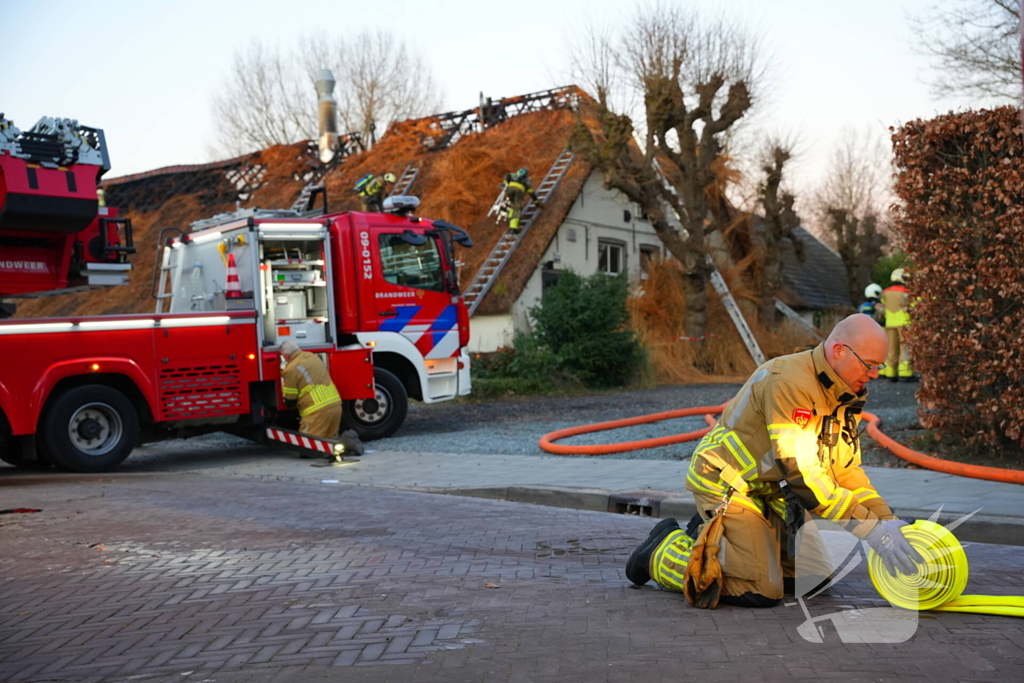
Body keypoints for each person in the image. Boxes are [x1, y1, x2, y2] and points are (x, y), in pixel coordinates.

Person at [625, 314, 923, 608]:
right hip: (728, 486)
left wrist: (887, 521)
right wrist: (871, 530)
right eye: (870, 365)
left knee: (814, 579)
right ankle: (663, 550)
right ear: (839, 351)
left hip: (769, 489)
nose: (875, 375)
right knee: (760, 590)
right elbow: (805, 478)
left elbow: (845, 472)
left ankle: (725, 541)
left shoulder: (843, 393)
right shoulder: (790, 383)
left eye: (879, 366)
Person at [881, 268, 914, 382]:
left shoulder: (885, 292)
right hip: (904, 324)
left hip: (889, 323)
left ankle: (890, 373)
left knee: (891, 349)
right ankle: (905, 373)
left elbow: (883, 307)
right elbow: (915, 305)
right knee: (905, 348)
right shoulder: (907, 293)